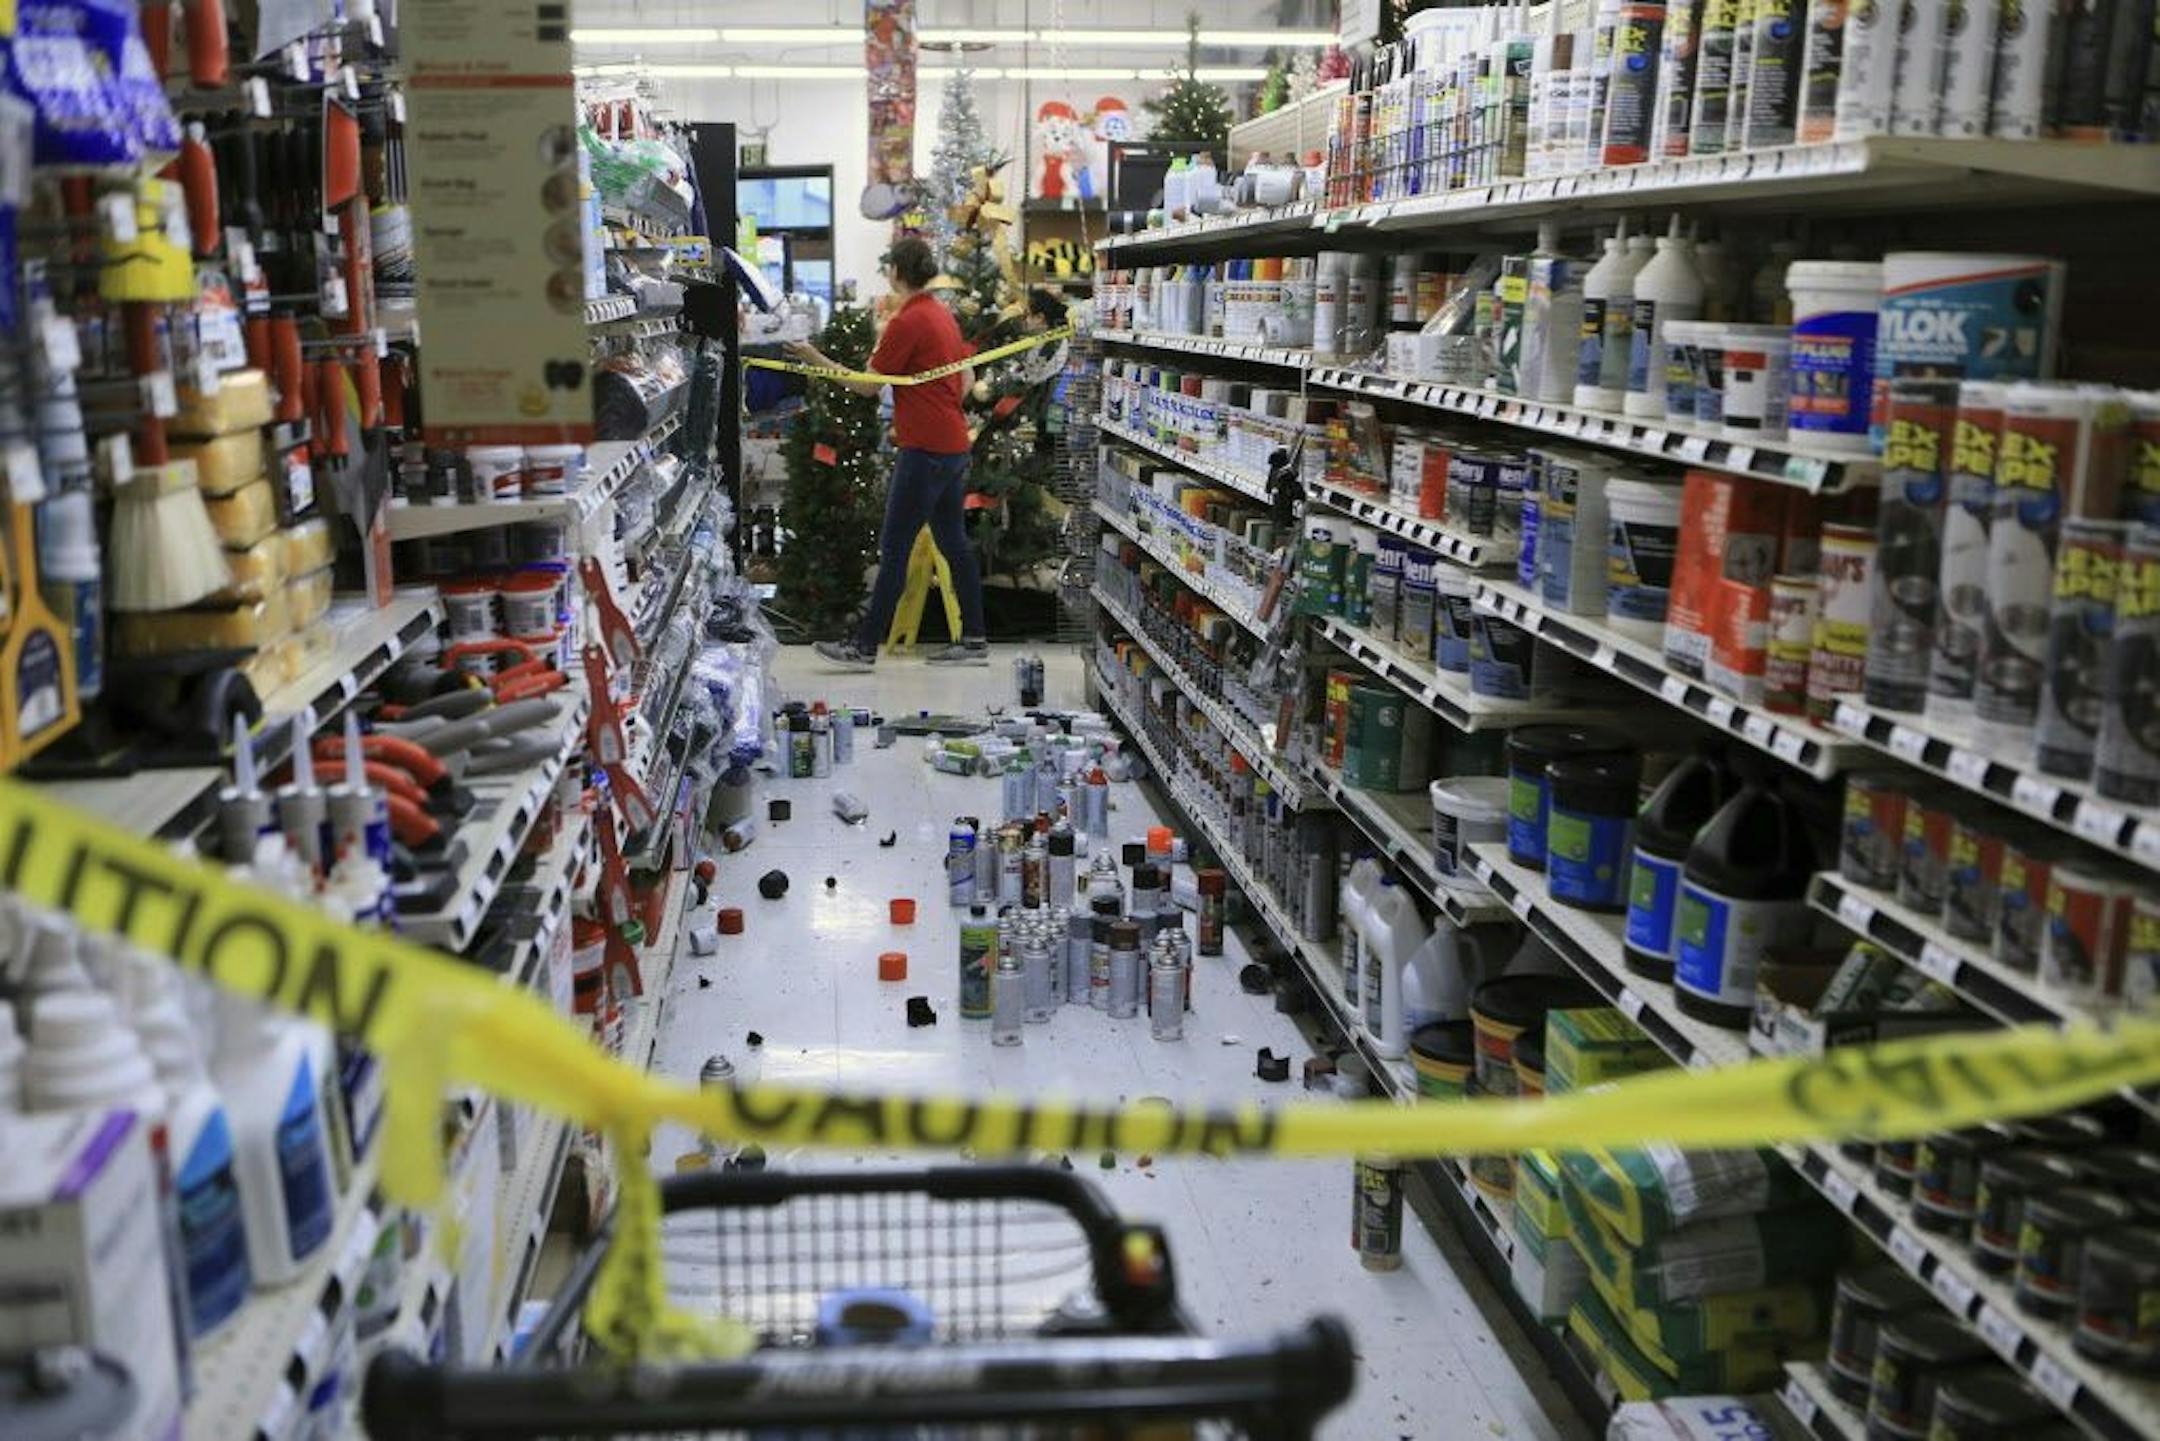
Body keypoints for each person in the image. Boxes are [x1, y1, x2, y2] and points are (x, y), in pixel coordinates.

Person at [790, 237, 989, 669]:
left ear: (896, 272)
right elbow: (964, 381)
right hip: (953, 446)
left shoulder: (907, 321)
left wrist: (812, 357)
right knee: (954, 543)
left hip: (924, 449)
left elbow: (865, 386)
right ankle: (974, 638)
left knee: (895, 546)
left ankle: (863, 647)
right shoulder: (942, 316)